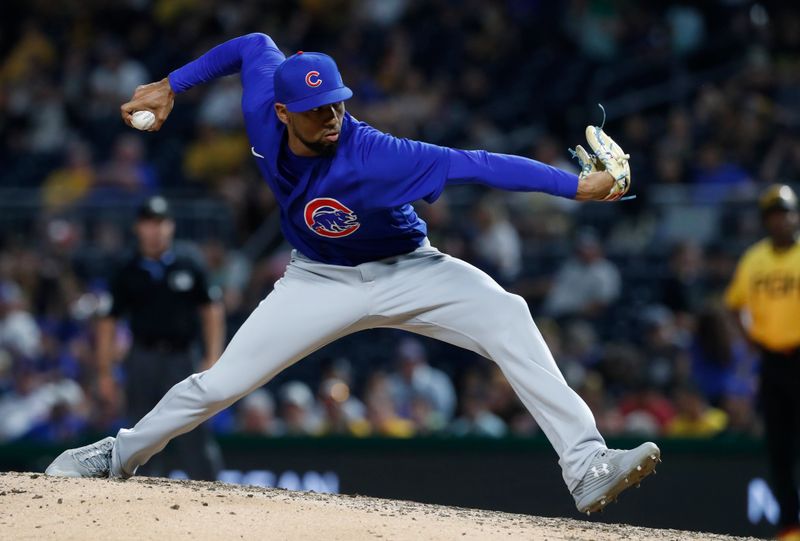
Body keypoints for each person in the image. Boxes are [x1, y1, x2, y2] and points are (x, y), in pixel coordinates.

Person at [46, 33, 659, 515]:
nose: (331, 117)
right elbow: (252, 44)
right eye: (315, 110)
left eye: (336, 103)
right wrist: (170, 84)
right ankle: (116, 455)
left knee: (509, 314)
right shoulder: (264, 107)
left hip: (410, 270)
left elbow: (480, 165)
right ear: (284, 112)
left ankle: (585, 465)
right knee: (219, 383)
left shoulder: (376, 155)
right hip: (319, 280)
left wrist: (577, 186)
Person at [95, 196, 225, 480]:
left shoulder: (189, 260)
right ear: (138, 228)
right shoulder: (126, 267)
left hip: (183, 357)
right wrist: (105, 372)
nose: (155, 230)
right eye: (149, 223)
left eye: (161, 223)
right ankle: (139, 499)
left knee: (195, 429)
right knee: (141, 430)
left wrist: (213, 356)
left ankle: (212, 494)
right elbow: (108, 320)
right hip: (142, 358)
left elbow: (212, 309)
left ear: (171, 226)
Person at [724, 184, 800, 541]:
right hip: (772, 360)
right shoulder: (754, 259)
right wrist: (750, 338)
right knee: (779, 446)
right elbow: (734, 303)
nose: (780, 220)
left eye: (784, 213)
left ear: (794, 215)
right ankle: (789, 528)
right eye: (773, 214)